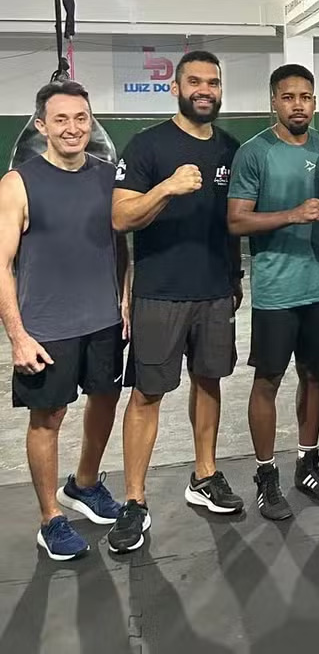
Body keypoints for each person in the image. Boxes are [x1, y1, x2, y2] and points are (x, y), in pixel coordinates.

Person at [107, 51, 244, 553]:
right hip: (159, 293)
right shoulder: (147, 145)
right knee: (147, 393)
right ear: (177, 88)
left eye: (213, 82)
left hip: (214, 291)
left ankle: (204, 475)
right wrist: (166, 186)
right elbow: (121, 218)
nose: (205, 89)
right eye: (195, 81)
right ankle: (135, 501)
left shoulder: (231, 148)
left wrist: (235, 275)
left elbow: (232, 222)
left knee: (209, 382)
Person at [0, 81, 128, 560]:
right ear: (41, 126)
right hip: (46, 327)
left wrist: (126, 299)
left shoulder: (108, 176)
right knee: (48, 418)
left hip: (102, 321)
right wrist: (16, 335)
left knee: (106, 398)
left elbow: (120, 243)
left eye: (81, 118)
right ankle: (50, 518)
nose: (74, 128)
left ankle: (87, 483)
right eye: (61, 119)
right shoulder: (17, 184)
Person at [227, 64, 319, 520]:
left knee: (315, 374)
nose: (299, 104)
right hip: (276, 288)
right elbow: (236, 220)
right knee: (268, 380)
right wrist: (291, 214)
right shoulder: (255, 153)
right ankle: (265, 474)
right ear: (273, 100)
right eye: (289, 96)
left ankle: (308, 464)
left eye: (306, 96)